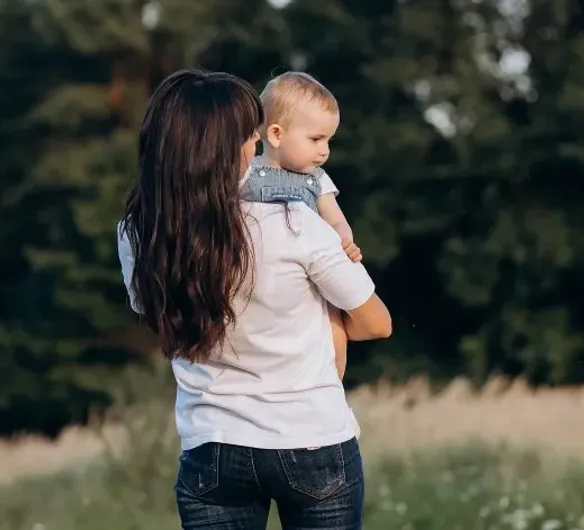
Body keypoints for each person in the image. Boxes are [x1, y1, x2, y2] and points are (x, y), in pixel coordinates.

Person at [117, 69, 392, 530]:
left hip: (212, 447)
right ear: (222, 147)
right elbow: (375, 323)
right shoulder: (293, 223)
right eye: (248, 133)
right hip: (311, 438)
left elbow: (163, 318)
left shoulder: (139, 235)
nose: (255, 143)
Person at [241, 71, 358, 381]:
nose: (325, 150)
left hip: (311, 274)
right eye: (316, 139)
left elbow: (336, 219)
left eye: (328, 140)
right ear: (277, 134)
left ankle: (331, 384)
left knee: (334, 326)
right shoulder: (246, 175)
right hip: (262, 274)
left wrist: (344, 239)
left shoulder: (317, 180)